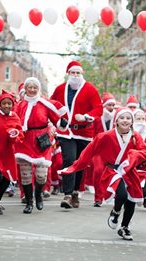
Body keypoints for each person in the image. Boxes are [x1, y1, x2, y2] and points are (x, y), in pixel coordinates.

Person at [60, 108, 146, 241]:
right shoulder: (106, 136)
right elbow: (89, 151)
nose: (125, 120)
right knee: (122, 194)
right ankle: (116, 211)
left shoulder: (135, 136)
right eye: (122, 118)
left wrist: (134, 155)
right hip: (112, 171)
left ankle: (124, 227)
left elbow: (145, 152)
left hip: (129, 171)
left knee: (133, 198)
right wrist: (74, 166)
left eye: (128, 118)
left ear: (132, 122)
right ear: (116, 121)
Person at [50, 61, 102, 209]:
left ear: (82, 74)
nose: (75, 75)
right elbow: (52, 105)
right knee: (69, 159)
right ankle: (67, 194)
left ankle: (75, 192)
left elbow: (98, 109)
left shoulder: (90, 89)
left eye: (78, 73)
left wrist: (86, 116)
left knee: (80, 163)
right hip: (66, 132)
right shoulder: (60, 89)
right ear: (68, 74)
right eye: (72, 72)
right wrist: (53, 123)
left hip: (84, 132)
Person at [15, 77, 67, 213]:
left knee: (41, 175)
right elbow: (12, 120)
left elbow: (55, 118)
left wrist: (61, 123)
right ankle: (29, 202)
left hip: (41, 140)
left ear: (38, 89)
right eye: (29, 87)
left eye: (35, 87)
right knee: (25, 174)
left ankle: (38, 195)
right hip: (24, 141)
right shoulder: (19, 105)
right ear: (25, 89)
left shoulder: (44, 104)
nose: (32, 90)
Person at [91, 92, 117, 207]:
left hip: (113, 152)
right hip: (98, 151)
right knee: (98, 171)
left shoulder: (117, 118)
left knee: (113, 174)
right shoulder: (97, 119)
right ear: (104, 106)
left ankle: (110, 194)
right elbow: (91, 133)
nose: (111, 108)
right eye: (109, 105)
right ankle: (98, 198)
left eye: (113, 105)